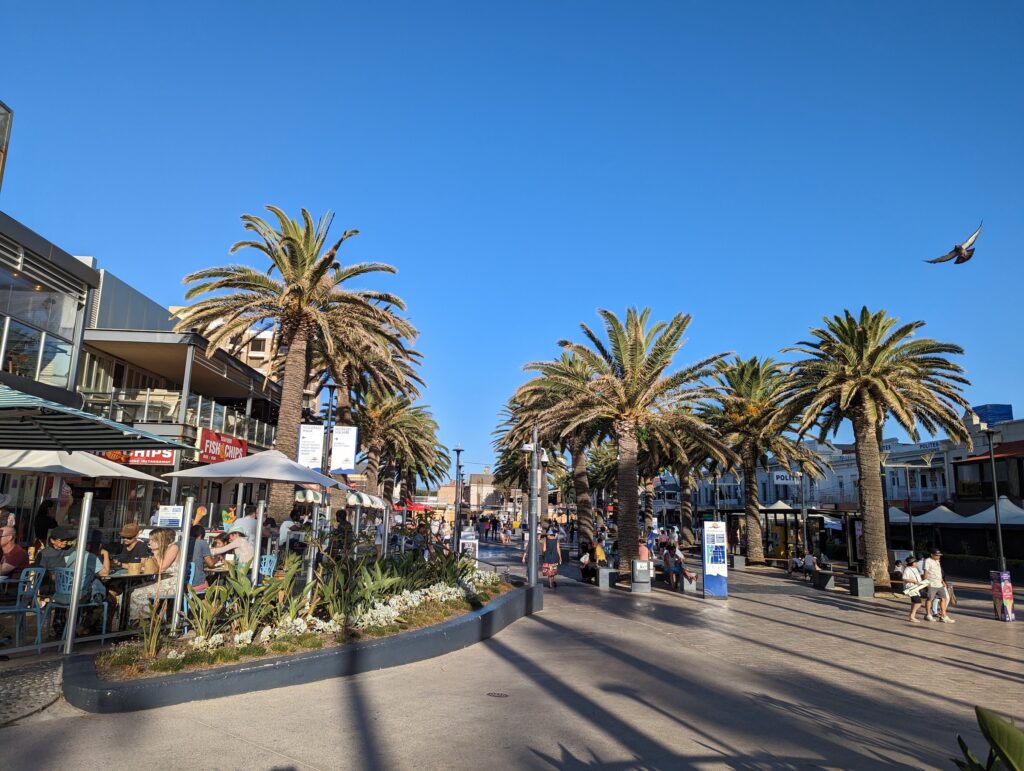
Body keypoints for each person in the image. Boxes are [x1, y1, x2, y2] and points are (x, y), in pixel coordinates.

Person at [128, 528, 179, 622]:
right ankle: (134, 621)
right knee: (130, 591)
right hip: (161, 582)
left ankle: (145, 622)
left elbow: (161, 567)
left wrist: (155, 553)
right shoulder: (162, 550)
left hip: (171, 584)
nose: (149, 542)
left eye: (152, 540)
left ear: (160, 540)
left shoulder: (173, 548)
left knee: (137, 593)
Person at [922, 549, 954, 623]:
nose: (939, 556)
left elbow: (939, 572)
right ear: (932, 555)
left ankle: (943, 616)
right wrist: (926, 582)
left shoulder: (937, 561)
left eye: (939, 555)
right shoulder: (927, 561)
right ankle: (928, 615)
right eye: (937, 555)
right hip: (931, 583)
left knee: (944, 599)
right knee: (929, 599)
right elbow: (925, 572)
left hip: (939, 584)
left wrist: (942, 581)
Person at [187, 525, 214, 592]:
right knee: (209, 584)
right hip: (196, 582)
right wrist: (216, 559)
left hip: (182, 582)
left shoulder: (183, 543)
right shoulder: (202, 543)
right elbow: (211, 564)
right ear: (201, 535)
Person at [902, 555, 926, 623]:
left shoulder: (915, 568)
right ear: (912, 563)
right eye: (915, 562)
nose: (916, 563)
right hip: (911, 588)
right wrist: (914, 581)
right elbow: (904, 578)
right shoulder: (907, 569)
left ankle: (912, 616)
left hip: (916, 588)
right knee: (918, 602)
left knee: (914, 602)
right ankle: (912, 615)